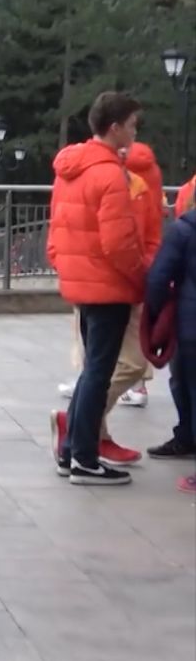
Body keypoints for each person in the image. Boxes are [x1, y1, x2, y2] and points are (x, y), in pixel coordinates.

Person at [46, 92, 147, 486]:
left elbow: (56, 231)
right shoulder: (109, 174)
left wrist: (66, 265)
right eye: (133, 125)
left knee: (93, 371)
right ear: (115, 127)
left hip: (83, 284)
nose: (136, 132)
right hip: (108, 286)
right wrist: (141, 277)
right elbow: (119, 244)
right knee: (98, 374)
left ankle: (73, 451)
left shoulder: (70, 169)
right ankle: (84, 459)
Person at [144, 204, 196, 476]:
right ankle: (186, 437)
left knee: (184, 383)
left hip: (190, 325)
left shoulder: (183, 230)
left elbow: (158, 278)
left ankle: (186, 437)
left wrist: (159, 311)